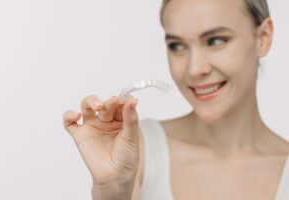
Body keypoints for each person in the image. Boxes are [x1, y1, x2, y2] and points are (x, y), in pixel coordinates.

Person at [63, 0, 289, 199]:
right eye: (177, 46)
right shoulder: (137, 151)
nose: (194, 69)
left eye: (215, 41)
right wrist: (113, 190)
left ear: (262, 38)